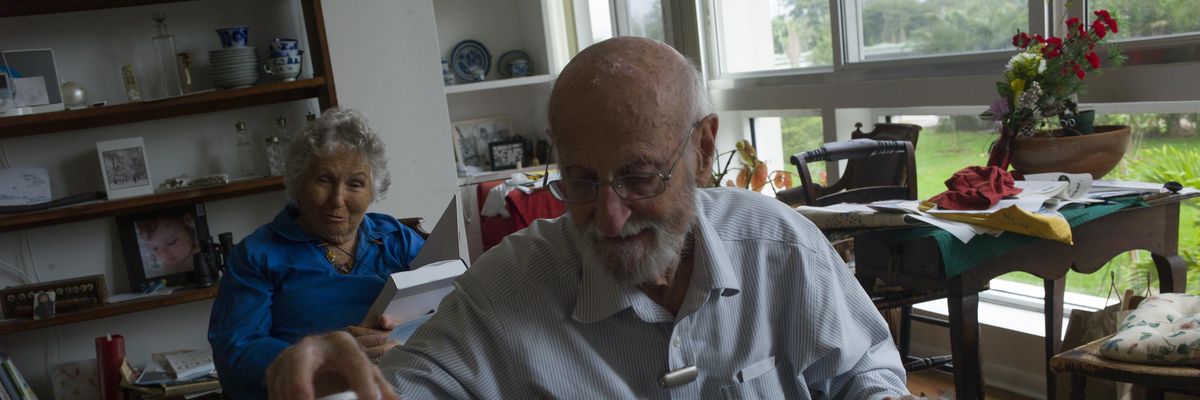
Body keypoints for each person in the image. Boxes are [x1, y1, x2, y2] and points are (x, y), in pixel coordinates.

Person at [266, 37, 909, 399]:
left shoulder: (778, 245)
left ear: (705, 149)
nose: (609, 214)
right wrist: (334, 385)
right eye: (579, 179)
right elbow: (406, 390)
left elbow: (864, 371)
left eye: (639, 175)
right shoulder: (507, 289)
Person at [208, 108, 426, 400]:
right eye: (324, 179)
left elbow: (455, 300)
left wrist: (408, 332)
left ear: (373, 191)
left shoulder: (396, 238)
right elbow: (236, 355)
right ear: (298, 184)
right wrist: (325, 357)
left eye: (356, 184)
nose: (338, 199)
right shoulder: (257, 254)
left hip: (408, 382)